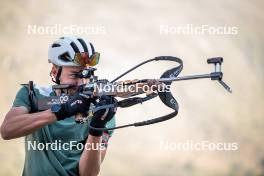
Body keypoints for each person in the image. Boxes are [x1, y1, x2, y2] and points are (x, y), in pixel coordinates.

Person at [0, 36, 116, 176]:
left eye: (87, 75)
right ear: (55, 71)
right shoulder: (33, 94)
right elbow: (7, 130)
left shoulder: (101, 110)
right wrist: (62, 110)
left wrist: (96, 130)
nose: (82, 83)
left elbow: (88, 174)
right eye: (75, 75)